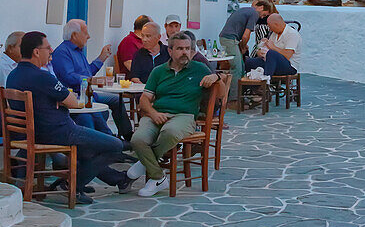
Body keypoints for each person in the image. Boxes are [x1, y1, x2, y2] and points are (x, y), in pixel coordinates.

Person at [7, 32, 131, 204]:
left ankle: (106, 180)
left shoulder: (13, 76)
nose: (51, 51)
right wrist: (60, 101)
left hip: (32, 133)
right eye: (47, 47)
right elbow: (72, 102)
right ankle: (72, 184)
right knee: (115, 146)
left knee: (89, 150)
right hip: (58, 132)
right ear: (36, 52)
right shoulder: (43, 77)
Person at [128, 31, 220, 197]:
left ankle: (146, 162)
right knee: (138, 139)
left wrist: (215, 77)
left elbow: (221, 93)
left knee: (169, 132)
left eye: (187, 48)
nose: (185, 52)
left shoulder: (199, 69)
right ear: (170, 51)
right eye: (180, 48)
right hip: (157, 114)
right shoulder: (158, 71)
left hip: (184, 116)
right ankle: (158, 176)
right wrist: (153, 113)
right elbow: (144, 100)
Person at [52, 20, 133, 141]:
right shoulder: (62, 52)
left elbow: (87, 72)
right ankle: (109, 138)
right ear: (74, 35)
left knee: (116, 100)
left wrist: (101, 58)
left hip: (88, 92)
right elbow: (68, 77)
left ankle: (127, 136)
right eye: (85, 33)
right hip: (77, 95)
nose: (89, 36)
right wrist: (92, 80)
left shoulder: (79, 51)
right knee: (93, 105)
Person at [218, 3, 258, 100]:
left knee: (241, 67)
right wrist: (243, 46)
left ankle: (239, 97)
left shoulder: (245, 10)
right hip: (230, 39)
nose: (262, 17)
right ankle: (233, 99)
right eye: (264, 14)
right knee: (237, 68)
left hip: (228, 38)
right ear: (261, 7)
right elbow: (245, 36)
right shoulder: (255, 13)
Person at [247, 12, 301, 78]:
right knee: (249, 61)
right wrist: (260, 52)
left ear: (276, 25)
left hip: (289, 67)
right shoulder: (274, 34)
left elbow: (287, 55)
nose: (269, 29)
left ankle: (266, 81)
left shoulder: (292, 34)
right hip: (272, 64)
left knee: (271, 53)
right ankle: (250, 85)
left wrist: (273, 47)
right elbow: (267, 49)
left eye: (270, 26)